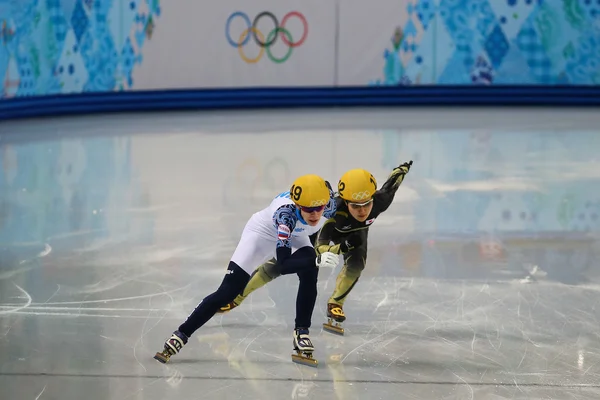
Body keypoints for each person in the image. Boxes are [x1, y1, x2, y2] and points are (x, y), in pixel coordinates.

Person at [154, 174, 340, 366]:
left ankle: (301, 332)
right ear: (298, 205)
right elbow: (283, 265)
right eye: (308, 210)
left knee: (310, 273)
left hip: (297, 236)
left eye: (319, 208)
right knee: (227, 292)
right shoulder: (285, 216)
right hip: (261, 234)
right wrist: (317, 259)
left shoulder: (330, 204)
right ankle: (182, 333)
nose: (315, 215)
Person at [217, 161, 413, 335]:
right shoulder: (333, 212)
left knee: (357, 265)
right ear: (345, 202)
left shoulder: (381, 201)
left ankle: (336, 303)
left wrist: (401, 169)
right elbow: (321, 249)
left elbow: (391, 185)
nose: (362, 210)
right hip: (324, 236)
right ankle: (238, 296)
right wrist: (341, 247)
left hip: (357, 234)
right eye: (355, 205)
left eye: (366, 204)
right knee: (279, 266)